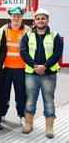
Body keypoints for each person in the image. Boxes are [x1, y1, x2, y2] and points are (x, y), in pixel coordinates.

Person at [20, 8, 63, 139]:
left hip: (48, 74)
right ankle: (28, 124)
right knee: (30, 101)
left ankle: (49, 128)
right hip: (31, 74)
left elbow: (57, 54)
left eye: (43, 18)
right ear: (34, 21)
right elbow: (23, 52)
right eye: (38, 18)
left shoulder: (55, 35)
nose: (40, 21)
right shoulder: (27, 35)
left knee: (49, 101)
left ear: (47, 20)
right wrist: (34, 66)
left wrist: (44, 66)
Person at [1, 6, 30, 125]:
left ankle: (22, 116)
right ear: (10, 16)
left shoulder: (27, 30)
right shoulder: (3, 29)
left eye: (18, 15)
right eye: (13, 15)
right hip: (5, 68)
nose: (16, 18)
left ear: (22, 17)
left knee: (21, 94)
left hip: (21, 69)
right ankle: (1, 114)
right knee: (3, 93)